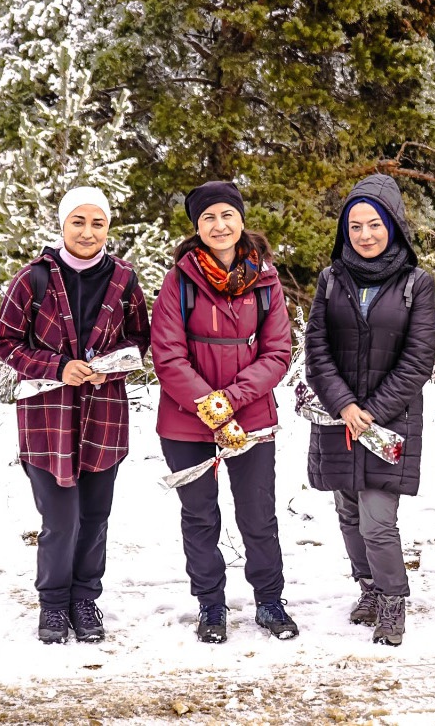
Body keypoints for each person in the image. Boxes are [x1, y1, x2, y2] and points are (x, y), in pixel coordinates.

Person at [0, 187, 150, 644]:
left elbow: (139, 339)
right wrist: (58, 367)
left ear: (108, 228)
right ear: (62, 225)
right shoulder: (33, 280)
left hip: (104, 415)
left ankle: (84, 599)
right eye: (78, 222)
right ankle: (53, 603)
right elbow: (6, 343)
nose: (87, 232)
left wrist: (110, 367)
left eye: (97, 223)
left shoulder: (124, 279)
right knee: (61, 521)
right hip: (47, 417)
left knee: (96, 517)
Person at [151, 181, 296, 643]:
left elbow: (278, 352)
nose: (219, 225)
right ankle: (211, 605)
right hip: (186, 419)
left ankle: (269, 601)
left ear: (240, 219)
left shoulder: (266, 281)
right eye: (208, 218)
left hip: (250, 416)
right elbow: (167, 355)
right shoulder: (178, 282)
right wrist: (208, 405)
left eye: (227, 215)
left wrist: (229, 400)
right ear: (197, 227)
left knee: (258, 515)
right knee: (199, 516)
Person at [304, 174, 435, 647]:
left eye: (374, 224)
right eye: (355, 226)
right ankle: (368, 589)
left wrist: (372, 411)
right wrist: (344, 404)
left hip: (389, 421)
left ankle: (393, 599)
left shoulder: (416, 284)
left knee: (378, 520)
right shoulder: (331, 279)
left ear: (393, 225)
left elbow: (419, 359)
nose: (364, 235)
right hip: (338, 418)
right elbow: (316, 348)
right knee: (347, 512)